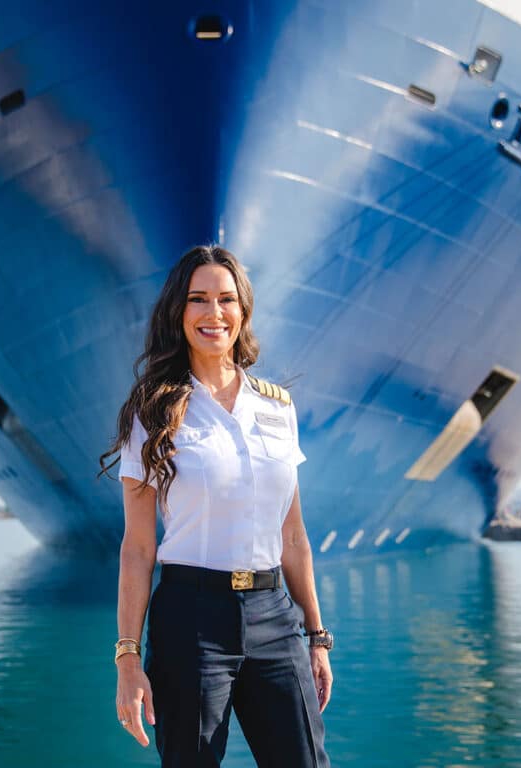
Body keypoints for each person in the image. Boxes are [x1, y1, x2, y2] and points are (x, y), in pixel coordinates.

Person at [99, 244, 332, 767]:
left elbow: (292, 537)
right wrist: (127, 659)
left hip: (274, 616)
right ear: (178, 313)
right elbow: (138, 548)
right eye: (198, 299)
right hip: (192, 618)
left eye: (226, 299)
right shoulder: (153, 410)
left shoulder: (276, 407)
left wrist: (316, 637)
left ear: (243, 311)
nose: (213, 313)